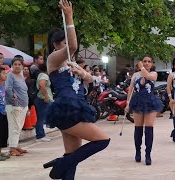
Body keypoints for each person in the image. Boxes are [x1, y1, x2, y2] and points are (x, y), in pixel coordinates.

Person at [42, 1, 110, 179]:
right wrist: (69, 17)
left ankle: (63, 164)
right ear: (56, 45)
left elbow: (91, 80)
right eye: (64, 42)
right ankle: (60, 165)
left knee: (72, 155)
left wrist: (83, 74)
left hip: (78, 107)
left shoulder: (74, 64)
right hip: (65, 109)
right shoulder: (53, 59)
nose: (69, 46)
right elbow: (73, 46)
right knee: (103, 140)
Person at [126, 56, 163, 165]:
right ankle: (138, 152)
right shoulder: (135, 75)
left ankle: (148, 154)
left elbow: (147, 76)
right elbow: (131, 90)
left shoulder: (154, 74)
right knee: (138, 128)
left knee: (149, 128)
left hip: (150, 101)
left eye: (149, 62)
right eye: (144, 61)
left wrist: (142, 68)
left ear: (151, 64)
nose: (146, 63)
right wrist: (127, 103)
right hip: (137, 102)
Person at [5, 58, 29, 156]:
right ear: (12, 65)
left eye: (19, 64)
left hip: (23, 105)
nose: (17, 66)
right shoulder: (10, 75)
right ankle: (12, 148)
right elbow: (8, 89)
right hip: (14, 105)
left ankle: (15, 145)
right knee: (14, 127)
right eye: (15, 64)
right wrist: (14, 101)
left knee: (19, 127)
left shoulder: (21, 75)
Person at [34, 64, 53, 142]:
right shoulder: (44, 76)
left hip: (42, 98)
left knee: (41, 117)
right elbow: (42, 85)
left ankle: (41, 134)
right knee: (41, 118)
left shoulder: (41, 75)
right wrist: (46, 96)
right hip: (42, 99)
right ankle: (40, 135)